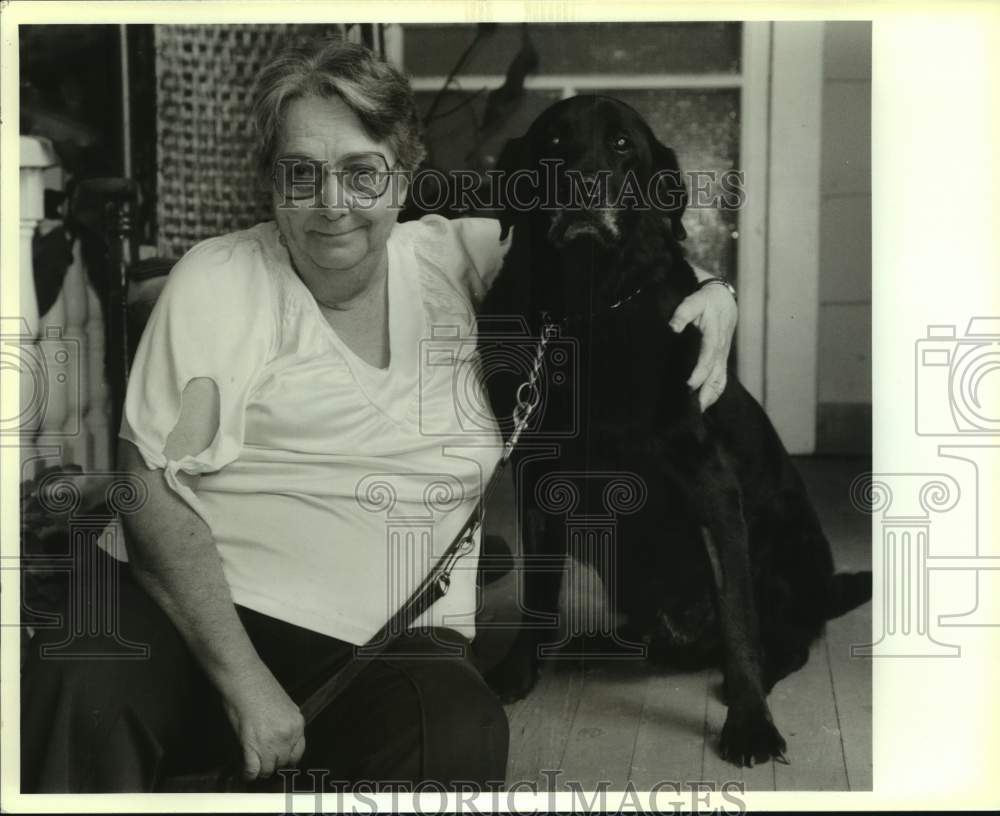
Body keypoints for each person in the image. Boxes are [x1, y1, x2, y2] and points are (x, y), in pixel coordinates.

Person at [20, 36, 738, 793]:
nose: (333, 204)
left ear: (403, 178)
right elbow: (152, 492)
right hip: (199, 613)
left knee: (458, 733)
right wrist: (247, 684)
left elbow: (598, 240)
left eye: (361, 172)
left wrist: (711, 287)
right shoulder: (220, 281)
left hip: (393, 637)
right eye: (302, 174)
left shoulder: (450, 258)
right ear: (269, 181)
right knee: (85, 678)